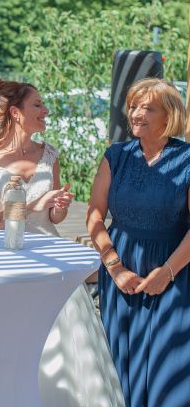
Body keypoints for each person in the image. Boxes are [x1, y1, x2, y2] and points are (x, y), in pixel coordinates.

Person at [0, 79, 124, 406]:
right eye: (38, 105)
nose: (46, 111)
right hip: (4, 261)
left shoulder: (50, 154)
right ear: (16, 113)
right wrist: (30, 205)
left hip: (50, 257)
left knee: (63, 343)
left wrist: (57, 208)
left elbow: (52, 218)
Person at [87, 78, 190, 407]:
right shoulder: (115, 156)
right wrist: (115, 268)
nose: (135, 113)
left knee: (169, 374)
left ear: (169, 115)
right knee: (121, 369)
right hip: (121, 274)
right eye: (133, 105)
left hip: (176, 273)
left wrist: (167, 273)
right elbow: (94, 215)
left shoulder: (188, 160)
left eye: (147, 107)